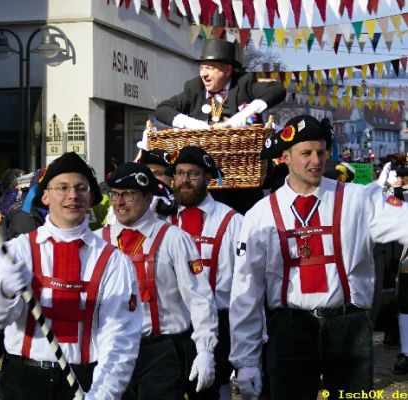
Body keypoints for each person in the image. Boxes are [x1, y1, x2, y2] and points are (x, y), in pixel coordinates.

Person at [229, 115, 408, 400]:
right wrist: (246, 360)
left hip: (348, 327)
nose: (316, 161)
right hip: (290, 331)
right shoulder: (260, 214)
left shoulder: (358, 199)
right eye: (306, 153)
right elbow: (246, 289)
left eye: (321, 152)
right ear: (285, 157)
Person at [0, 151, 142, 400]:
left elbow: (121, 337)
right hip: (23, 381)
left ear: (91, 198)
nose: (72, 195)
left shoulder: (114, 262)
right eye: (62, 187)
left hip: (86, 380)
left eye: (81, 188)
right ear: (45, 196)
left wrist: (103, 393)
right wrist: (4, 291)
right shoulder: (16, 252)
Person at [98, 162, 218, 399]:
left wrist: (205, 349)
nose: (119, 202)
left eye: (128, 194)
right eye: (115, 194)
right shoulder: (98, 242)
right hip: (111, 352)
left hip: (161, 352)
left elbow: (199, 298)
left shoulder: (174, 239)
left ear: (148, 197)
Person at [167, 146, 243, 400]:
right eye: (180, 174)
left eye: (193, 174)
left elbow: (246, 281)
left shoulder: (231, 221)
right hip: (173, 326)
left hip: (219, 324)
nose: (185, 180)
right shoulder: (162, 220)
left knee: (210, 393)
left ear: (208, 178)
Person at [154, 39, 286, 130]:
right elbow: (162, 109)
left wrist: (243, 115)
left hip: (242, 154)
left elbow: (277, 90)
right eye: (202, 68)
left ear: (227, 70)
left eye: (210, 68)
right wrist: (192, 123)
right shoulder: (194, 88)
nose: (203, 74)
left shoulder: (244, 83)